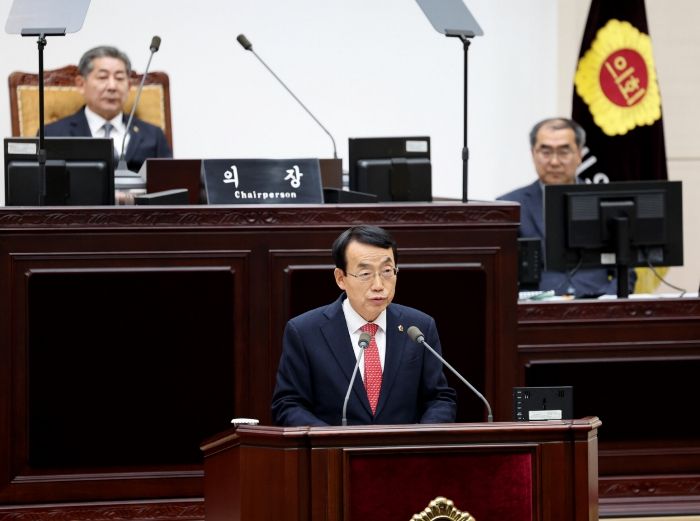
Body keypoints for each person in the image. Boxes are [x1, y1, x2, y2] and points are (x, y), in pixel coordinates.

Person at [271, 225, 457, 426]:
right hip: (333, 446)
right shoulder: (305, 331)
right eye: (365, 273)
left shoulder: (419, 327)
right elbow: (288, 405)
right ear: (340, 278)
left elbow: (439, 399)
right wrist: (330, 439)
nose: (378, 285)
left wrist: (420, 438)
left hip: (404, 446)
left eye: (387, 271)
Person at [497, 117, 633, 297]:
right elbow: (500, 273)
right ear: (533, 154)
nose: (554, 161)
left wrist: (605, 302)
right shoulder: (510, 206)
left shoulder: (605, 202)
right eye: (546, 152)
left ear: (580, 154)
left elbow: (626, 272)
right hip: (536, 308)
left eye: (564, 151)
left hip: (598, 303)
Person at [44, 45, 172, 172]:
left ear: (128, 86)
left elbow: (169, 180)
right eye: (102, 77)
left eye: (119, 78)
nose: (112, 86)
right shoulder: (51, 135)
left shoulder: (153, 135)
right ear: (81, 84)